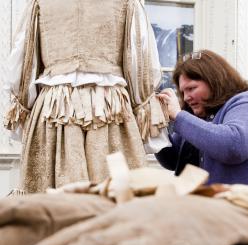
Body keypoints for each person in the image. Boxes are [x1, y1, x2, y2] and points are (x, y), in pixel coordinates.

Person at [3, 0, 170, 193]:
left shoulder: (40, 2)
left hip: (55, 106)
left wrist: (25, 108)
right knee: (113, 194)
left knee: (53, 202)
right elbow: (140, 62)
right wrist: (141, 108)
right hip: (108, 105)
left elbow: (24, 63)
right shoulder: (127, 2)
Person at [156, 49, 248, 191]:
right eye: (183, 92)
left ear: (215, 81)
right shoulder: (198, 115)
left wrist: (178, 116)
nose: (186, 97)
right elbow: (173, 160)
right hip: (213, 208)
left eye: (191, 88)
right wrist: (156, 126)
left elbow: (234, 146)